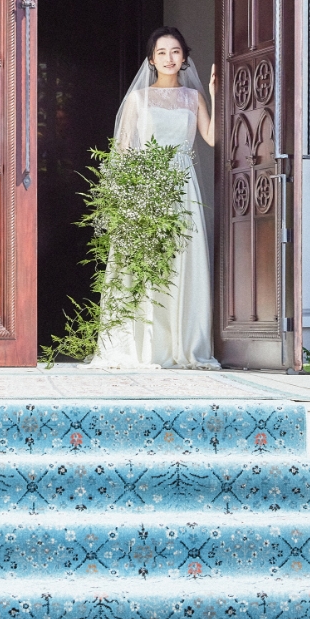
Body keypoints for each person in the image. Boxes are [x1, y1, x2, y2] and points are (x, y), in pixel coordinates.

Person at [91, 26, 220, 370]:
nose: (169, 58)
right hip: (146, 185)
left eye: (175, 51)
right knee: (145, 266)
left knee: (181, 262)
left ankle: (182, 344)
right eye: (161, 52)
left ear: (184, 57)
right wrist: (127, 196)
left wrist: (214, 93)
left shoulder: (194, 99)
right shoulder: (139, 99)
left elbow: (211, 137)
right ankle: (146, 347)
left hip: (182, 184)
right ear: (151, 60)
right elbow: (122, 150)